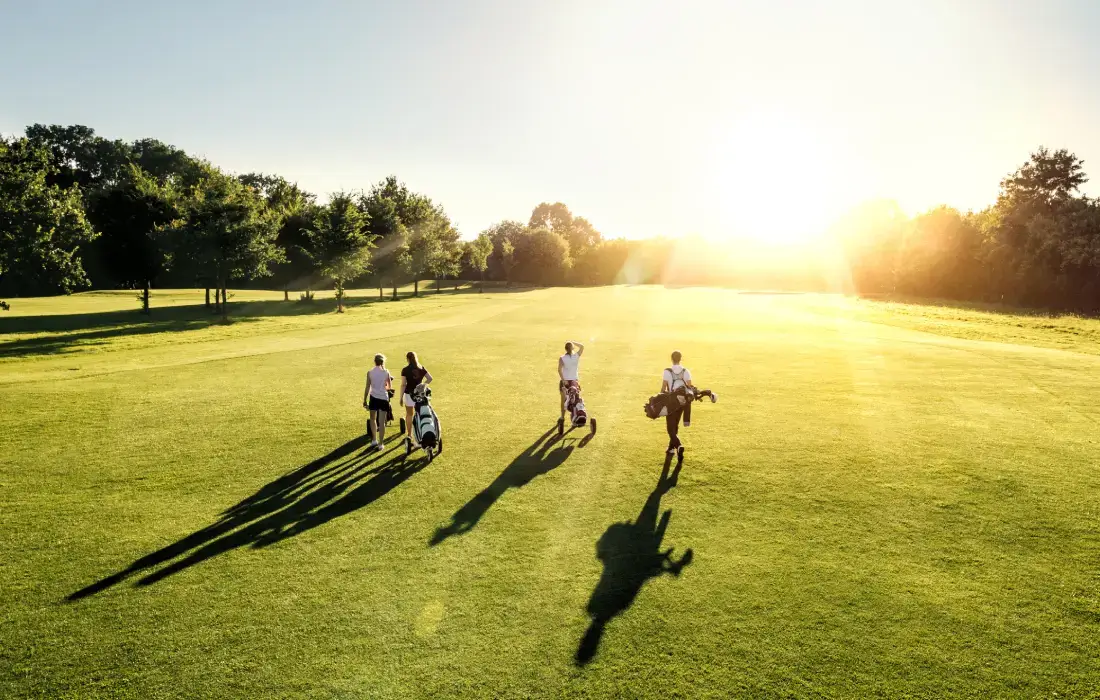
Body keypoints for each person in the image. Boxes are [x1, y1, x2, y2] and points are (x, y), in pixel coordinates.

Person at [660, 350, 693, 454]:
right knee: (675, 425)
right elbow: (690, 387)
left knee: (670, 428)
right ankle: (671, 448)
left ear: (671, 359)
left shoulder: (667, 371)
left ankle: (678, 445)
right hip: (683, 402)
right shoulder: (686, 371)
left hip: (671, 402)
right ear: (680, 359)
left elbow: (663, 389)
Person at [400, 351, 433, 444]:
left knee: (409, 414)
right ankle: (421, 433)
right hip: (420, 395)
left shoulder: (405, 370)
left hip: (408, 395)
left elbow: (403, 384)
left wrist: (400, 398)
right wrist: (423, 385)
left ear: (407, 359)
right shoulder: (421, 367)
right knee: (419, 414)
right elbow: (430, 378)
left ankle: (409, 435)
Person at [363, 353, 393, 451]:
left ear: (375, 361)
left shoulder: (370, 372)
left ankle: (374, 440)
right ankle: (380, 444)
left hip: (373, 398)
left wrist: (364, 400)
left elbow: (367, 387)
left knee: (372, 419)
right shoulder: (386, 372)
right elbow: (389, 387)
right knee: (381, 422)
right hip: (383, 398)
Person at [558, 340, 585, 425]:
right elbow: (582, 346)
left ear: (565, 349)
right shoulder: (576, 356)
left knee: (564, 400)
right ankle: (575, 416)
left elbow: (559, 370)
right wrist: (573, 342)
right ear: (572, 348)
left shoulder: (562, 358)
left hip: (565, 382)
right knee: (575, 400)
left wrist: (563, 380)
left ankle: (562, 417)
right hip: (574, 382)